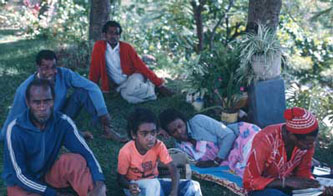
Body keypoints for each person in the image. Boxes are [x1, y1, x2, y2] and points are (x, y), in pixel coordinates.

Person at [2, 78, 106, 196]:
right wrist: (52, 193)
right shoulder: (15, 129)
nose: (43, 107)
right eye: (37, 102)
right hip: (22, 184)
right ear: (28, 102)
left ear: (53, 100)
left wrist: (99, 183)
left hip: (47, 173)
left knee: (75, 161)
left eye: (47, 101)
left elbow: (87, 154)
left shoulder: (62, 122)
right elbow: (19, 175)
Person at [0, 49, 127, 142]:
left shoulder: (64, 74)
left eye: (53, 67)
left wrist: (102, 112)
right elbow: (13, 120)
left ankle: (107, 130)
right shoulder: (25, 90)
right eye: (45, 68)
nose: (50, 72)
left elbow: (92, 87)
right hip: (42, 123)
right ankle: (70, 133)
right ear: (37, 67)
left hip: (61, 114)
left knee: (82, 92)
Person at [117, 108, 202, 196]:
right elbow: (120, 179)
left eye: (153, 132)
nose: (150, 138)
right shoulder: (126, 151)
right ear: (134, 134)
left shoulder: (158, 145)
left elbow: (173, 169)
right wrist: (130, 186)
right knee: (153, 184)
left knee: (193, 185)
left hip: (155, 183)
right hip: (136, 188)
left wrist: (174, 191)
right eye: (144, 133)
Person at [242, 107, 325, 196]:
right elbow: (249, 181)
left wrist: (319, 187)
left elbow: (303, 171)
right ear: (291, 135)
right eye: (307, 143)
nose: (310, 147)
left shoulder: (307, 142)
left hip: (289, 183)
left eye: (312, 142)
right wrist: (285, 182)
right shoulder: (265, 140)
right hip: (262, 186)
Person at [89, 21, 173, 104]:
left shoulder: (127, 47)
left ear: (119, 36)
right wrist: (91, 89)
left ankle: (153, 86)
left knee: (130, 90)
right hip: (121, 84)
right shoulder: (99, 47)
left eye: (116, 33)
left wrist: (159, 84)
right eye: (111, 33)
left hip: (134, 76)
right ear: (104, 35)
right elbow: (94, 69)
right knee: (128, 98)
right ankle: (153, 93)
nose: (114, 36)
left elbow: (141, 66)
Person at [159, 109, 260, 176]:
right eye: (174, 131)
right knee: (252, 170)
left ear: (184, 121)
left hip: (242, 136)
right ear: (170, 134)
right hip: (233, 156)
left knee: (257, 161)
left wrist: (217, 160)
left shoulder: (198, 121)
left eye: (180, 126)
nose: (179, 132)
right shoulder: (181, 147)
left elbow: (229, 135)